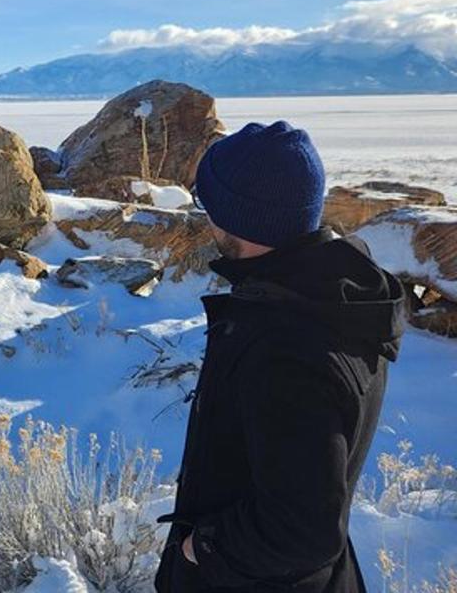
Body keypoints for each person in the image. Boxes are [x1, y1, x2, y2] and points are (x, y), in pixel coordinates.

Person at [156, 121, 405, 593]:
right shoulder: (333, 296)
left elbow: (303, 531)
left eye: (206, 204)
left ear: (239, 216)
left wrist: (200, 550)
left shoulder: (287, 346)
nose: (204, 218)